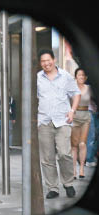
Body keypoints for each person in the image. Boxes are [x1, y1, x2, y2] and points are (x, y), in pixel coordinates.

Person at [37, 49, 81, 199]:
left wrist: (72, 111)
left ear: (54, 60)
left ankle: (68, 183)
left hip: (63, 121)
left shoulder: (65, 77)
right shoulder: (37, 78)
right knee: (47, 157)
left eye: (48, 60)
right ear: (40, 63)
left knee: (64, 154)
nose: (46, 63)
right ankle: (52, 188)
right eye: (43, 61)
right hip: (44, 122)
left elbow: (76, 93)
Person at [70, 68, 92, 179]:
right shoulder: (72, 89)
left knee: (82, 144)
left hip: (86, 116)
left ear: (86, 77)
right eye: (79, 75)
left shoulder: (89, 88)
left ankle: (82, 168)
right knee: (74, 146)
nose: (81, 77)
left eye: (83, 75)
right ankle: (73, 170)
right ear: (76, 77)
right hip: (74, 117)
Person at [86, 98, 98, 167]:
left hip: (93, 110)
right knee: (91, 136)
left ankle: (89, 158)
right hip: (90, 110)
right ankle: (89, 159)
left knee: (93, 137)